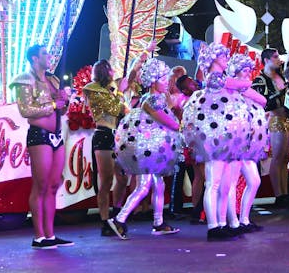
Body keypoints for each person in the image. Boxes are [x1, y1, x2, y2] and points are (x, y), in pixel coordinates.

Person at [182, 42, 253, 241]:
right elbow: (239, 84)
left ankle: (222, 223)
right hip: (215, 137)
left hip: (228, 136)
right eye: (222, 57)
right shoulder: (215, 78)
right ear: (213, 59)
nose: (225, 59)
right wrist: (243, 82)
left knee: (225, 184)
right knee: (213, 183)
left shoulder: (222, 78)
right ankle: (213, 226)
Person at [107, 58, 182, 240]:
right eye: (163, 79)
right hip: (146, 151)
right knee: (144, 186)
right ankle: (119, 219)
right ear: (153, 81)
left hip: (153, 151)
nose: (167, 82)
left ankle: (158, 222)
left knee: (158, 185)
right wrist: (180, 124)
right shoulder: (152, 101)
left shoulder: (155, 98)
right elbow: (170, 123)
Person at [10, 44, 73, 249]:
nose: (50, 57)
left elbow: (61, 112)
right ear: (35, 59)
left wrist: (65, 102)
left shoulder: (53, 80)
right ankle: (39, 236)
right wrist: (54, 105)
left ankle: (50, 234)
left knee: (54, 185)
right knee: (41, 185)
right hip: (39, 136)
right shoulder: (24, 79)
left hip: (56, 135)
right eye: (45, 54)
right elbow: (26, 110)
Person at [83, 59, 128, 236]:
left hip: (117, 135)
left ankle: (117, 214)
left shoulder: (112, 89)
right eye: (111, 69)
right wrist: (121, 92)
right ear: (105, 71)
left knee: (123, 178)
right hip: (103, 134)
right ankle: (104, 220)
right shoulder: (93, 90)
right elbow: (115, 109)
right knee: (106, 180)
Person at [225, 54, 269, 233]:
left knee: (254, 180)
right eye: (245, 70)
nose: (248, 74)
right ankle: (233, 221)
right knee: (232, 182)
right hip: (235, 142)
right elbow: (262, 100)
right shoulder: (231, 88)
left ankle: (244, 218)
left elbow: (263, 100)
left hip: (249, 145)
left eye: (249, 70)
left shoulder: (242, 89)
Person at [251, 47, 289, 207]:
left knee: (285, 158)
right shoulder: (260, 80)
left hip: (287, 119)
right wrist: (280, 92)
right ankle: (279, 194)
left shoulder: (280, 74)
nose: (278, 59)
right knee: (277, 157)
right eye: (275, 57)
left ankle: (285, 193)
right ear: (267, 60)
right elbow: (261, 102)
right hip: (274, 119)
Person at [169, 74, 202, 220]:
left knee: (198, 176)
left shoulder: (193, 97)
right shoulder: (186, 102)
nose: (194, 83)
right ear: (184, 90)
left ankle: (198, 208)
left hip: (195, 140)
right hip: (191, 142)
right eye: (190, 83)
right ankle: (196, 209)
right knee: (198, 176)